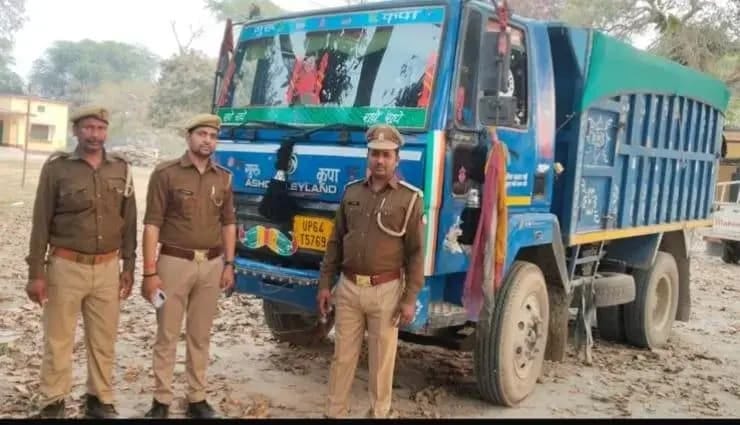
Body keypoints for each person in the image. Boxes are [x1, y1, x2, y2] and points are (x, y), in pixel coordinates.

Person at [25, 106, 137, 419]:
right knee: (58, 338)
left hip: (108, 268)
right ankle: (53, 401)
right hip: (65, 266)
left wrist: (129, 266)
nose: (94, 135)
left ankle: (99, 400)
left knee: (104, 339)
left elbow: (129, 222)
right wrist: (36, 272)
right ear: (76, 131)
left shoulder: (121, 168)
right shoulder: (57, 168)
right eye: (88, 128)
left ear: (107, 131)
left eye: (100, 128)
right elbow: (40, 222)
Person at [317, 124, 425, 418]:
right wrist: (325, 284)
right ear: (368, 156)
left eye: (386, 155)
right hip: (349, 288)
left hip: (386, 291)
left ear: (397, 159)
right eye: (375, 153)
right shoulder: (351, 192)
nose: (380, 160)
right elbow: (336, 241)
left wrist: (409, 298)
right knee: (342, 357)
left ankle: (379, 413)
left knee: (381, 362)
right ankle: (334, 412)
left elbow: (416, 253)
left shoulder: (410, 199)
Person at [140, 113, 236, 419]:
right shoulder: (166, 173)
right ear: (189, 137)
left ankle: (197, 398)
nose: (207, 140)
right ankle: (161, 400)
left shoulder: (223, 178)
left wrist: (229, 263)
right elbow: (152, 225)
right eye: (202, 134)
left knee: (200, 334)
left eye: (213, 136)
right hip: (173, 263)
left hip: (211, 264)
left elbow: (229, 223)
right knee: (167, 334)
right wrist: (149, 271)